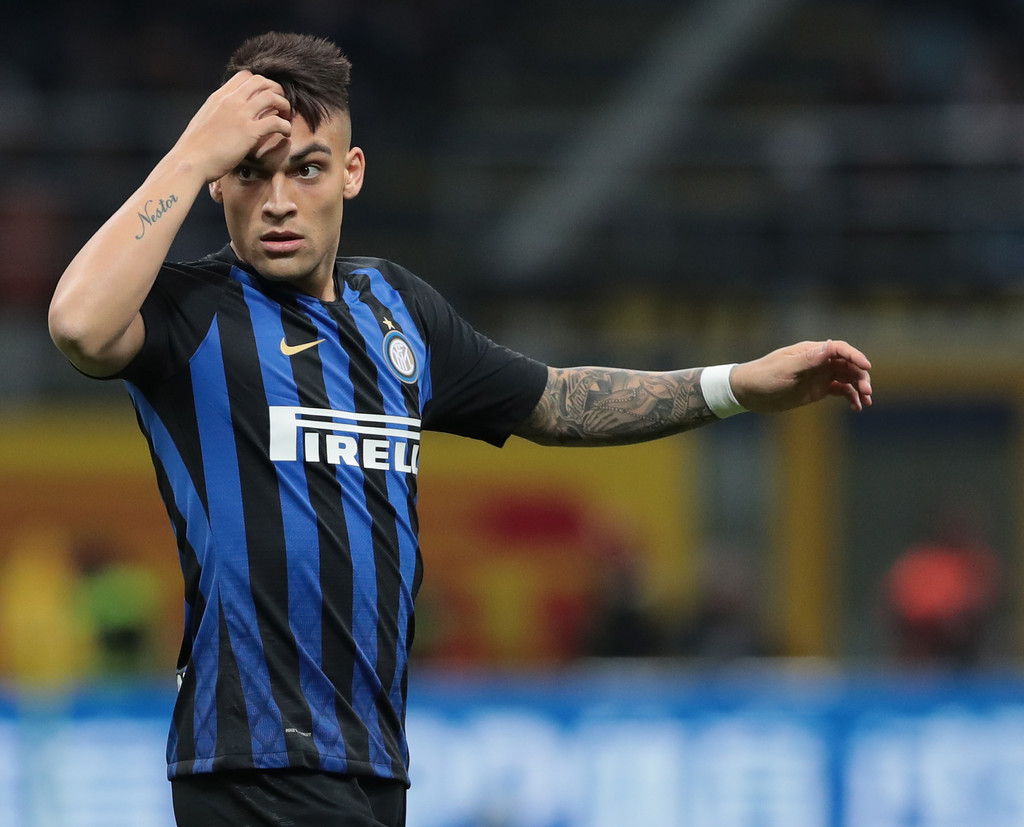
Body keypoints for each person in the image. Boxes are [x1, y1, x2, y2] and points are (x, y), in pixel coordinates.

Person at [47, 31, 872, 827]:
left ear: (352, 174)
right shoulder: (191, 313)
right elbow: (79, 325)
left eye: (307, 169)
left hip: (371, 763)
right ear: (221, 184)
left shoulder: (398, 311)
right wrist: (193, 153)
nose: (279, 201)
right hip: (250, 763)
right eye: (250, 173)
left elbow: (555, 400)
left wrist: (734, 385)